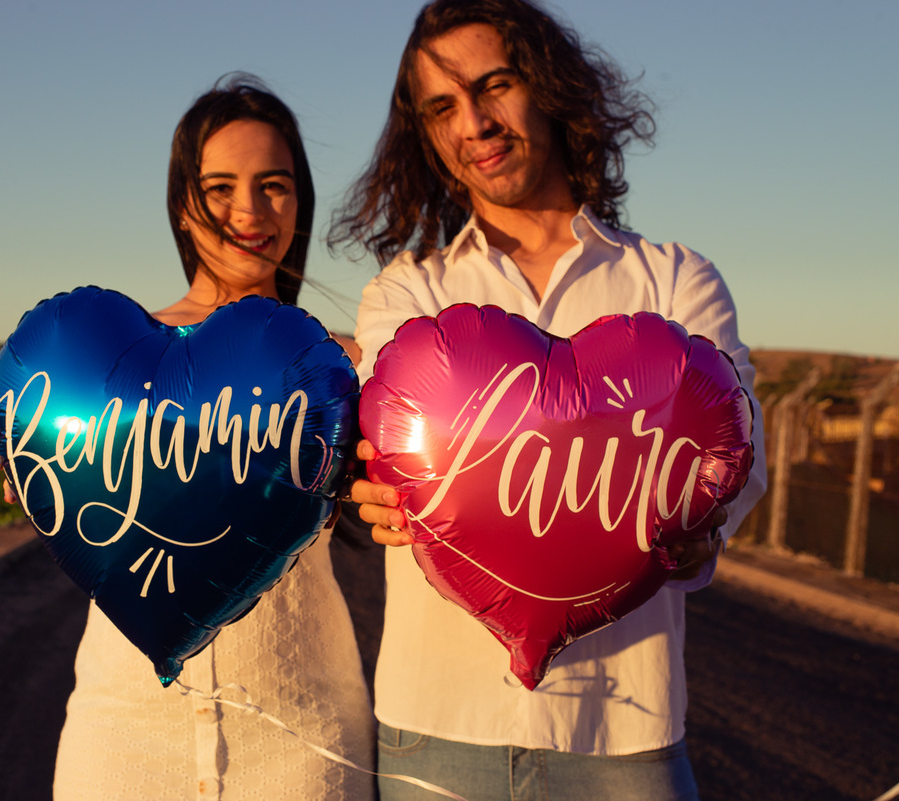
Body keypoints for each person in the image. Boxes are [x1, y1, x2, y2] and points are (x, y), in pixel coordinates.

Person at [330, 1, 768, 799]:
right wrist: (374, 491)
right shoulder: (407, 292)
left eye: (493, 86)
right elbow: (379, 449)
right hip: (436, 731)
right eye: (442, 107)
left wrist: (704, 532)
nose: (474, 124)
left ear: (550, 86)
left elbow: (742, 458)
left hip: (623, 741)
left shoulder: (675, 281)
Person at [0, 75, 374, 801]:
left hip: (302, 732)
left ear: (300, 202)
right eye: (220, 187)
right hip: (123, 735)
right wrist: (27, 461)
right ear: (183, 205)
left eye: (274, 185)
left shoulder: (343, 370)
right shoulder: (104, 371)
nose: (250, 211)